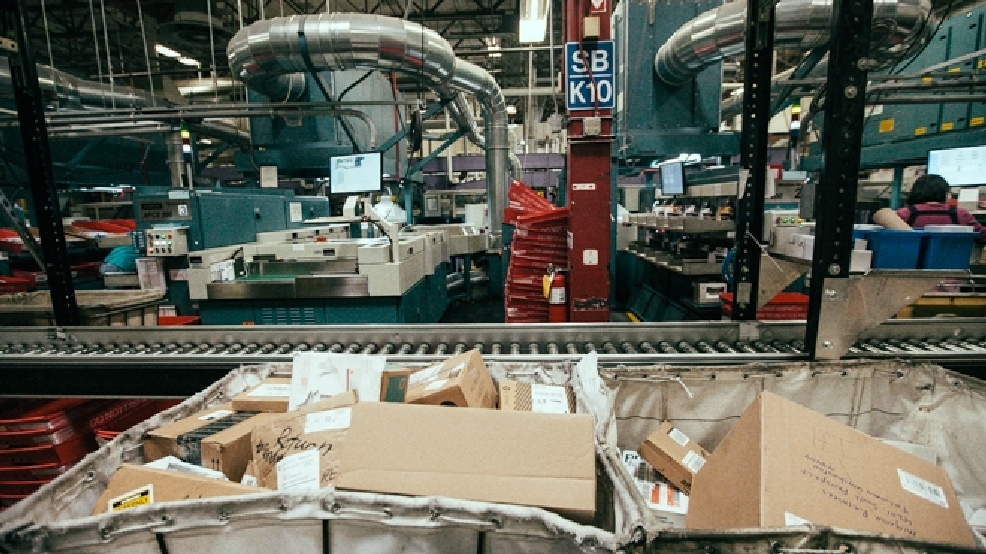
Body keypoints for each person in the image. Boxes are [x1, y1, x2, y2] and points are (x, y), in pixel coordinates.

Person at [896, 174, 986, 241]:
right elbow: (982, 235)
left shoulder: (904, 214)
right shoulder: (960, 214)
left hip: (911, 263)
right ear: (944, 193)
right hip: (952, 263)